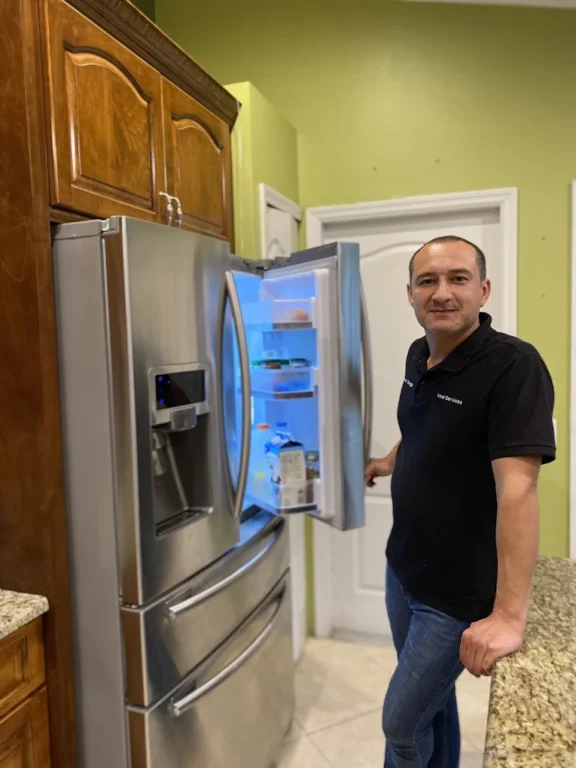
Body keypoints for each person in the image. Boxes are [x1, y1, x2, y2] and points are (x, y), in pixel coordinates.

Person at [365, 235, 555, 768]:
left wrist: (509, 616)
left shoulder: (514, 367)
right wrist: (387, 461)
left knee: (401, 724)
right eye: (427, 281)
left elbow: (519, 491)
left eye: (458, 278)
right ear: (410, 293)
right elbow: (425, 428)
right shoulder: (418, 353)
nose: (442, 292)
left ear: (483, 290)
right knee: (432, 704)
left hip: (454, 596)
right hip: (403, 570)